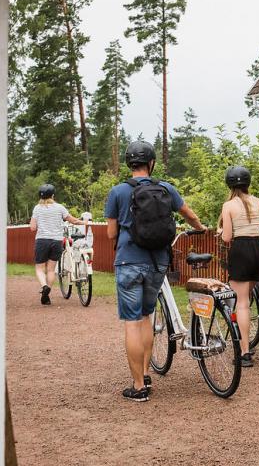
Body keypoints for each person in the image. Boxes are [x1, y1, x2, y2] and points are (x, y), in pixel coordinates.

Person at [105, 140, 205, 402]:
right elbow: (188, 213)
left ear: (129, 163)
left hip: (128, 262)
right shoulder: (166, 188)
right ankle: (147, 373)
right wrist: (200, 227)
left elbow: (111, 233)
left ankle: (138, 386)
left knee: (132, 322)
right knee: (147, 317)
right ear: (151, 163)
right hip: (157, 262)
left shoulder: (117, 192)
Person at [218, 166, 259, 367]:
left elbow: (227, 237)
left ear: (229, 184)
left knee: (242, 303)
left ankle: (245, 353)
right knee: (246, 298)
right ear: (248, 183)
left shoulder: (228, 206)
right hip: (258, 249)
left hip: (241, 250)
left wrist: (220, 231)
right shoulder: (258, 202)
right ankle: (246, 344)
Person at [30, 184, 87, 305]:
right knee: (51, 269)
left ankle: (44, 286)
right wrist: (85, 222)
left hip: (42, 241)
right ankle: (47, 295)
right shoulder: (60, 207)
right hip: (56, 241)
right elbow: (73, 220)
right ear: (52, 195)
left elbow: (32, 227)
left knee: (39, 268)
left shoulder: (37, 208)